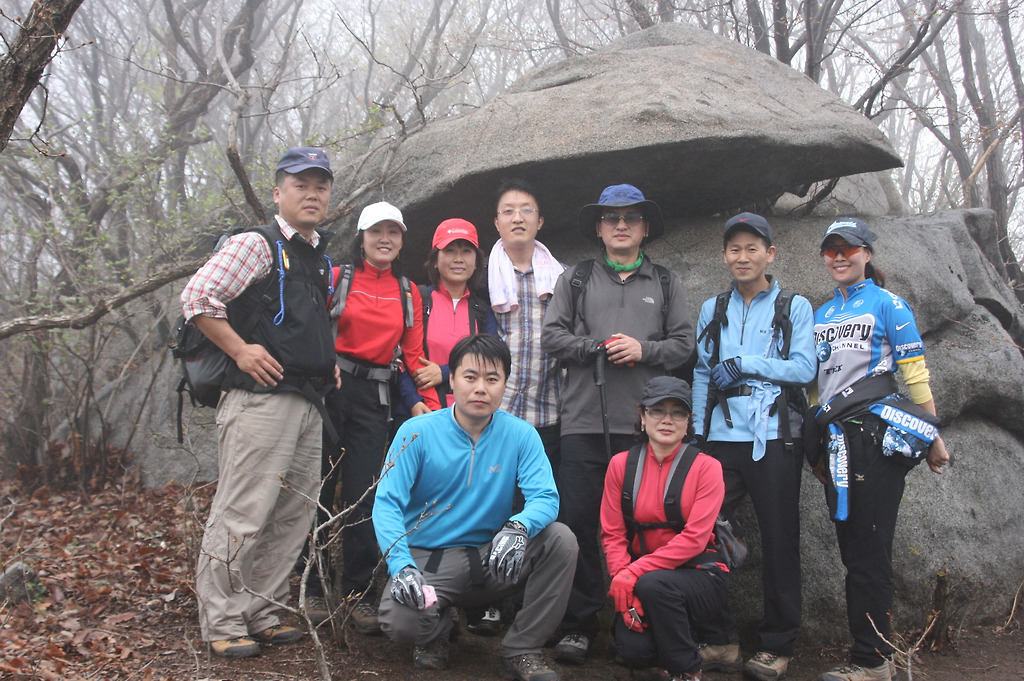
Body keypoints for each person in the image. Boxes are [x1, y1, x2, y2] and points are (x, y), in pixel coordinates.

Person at [183, 147, 340, 658]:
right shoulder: (258, 244)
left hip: (306, 400)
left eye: (320, 185)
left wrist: (326, 360)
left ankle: (261, 608)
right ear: (279, 193)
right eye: (301, 184)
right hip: (260, 402)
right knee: (243, 512)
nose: (312, 193)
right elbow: (198, 298)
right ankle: (223, 619)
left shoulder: (317, 256)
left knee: (291, 515)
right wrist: (239, 349)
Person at [541, 184, 694, 664]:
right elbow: (551, 335)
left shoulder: (666, 282)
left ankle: (641, 620)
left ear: (645, 227)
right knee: (580, 525)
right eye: (611, 218)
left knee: (647, 528)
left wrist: (644, 351)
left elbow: (685, 344)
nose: (621, 225)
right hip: (583, 424)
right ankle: (579, 625)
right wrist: (596, 347)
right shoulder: (578, 278)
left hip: (646, 431)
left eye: (631, 217)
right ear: (599, 228)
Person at [373, 334, 578, 681]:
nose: (481, 388)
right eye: (470, 377)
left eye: (492, 379)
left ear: (504, 385)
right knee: (399, 622)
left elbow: (546, 497)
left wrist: (519, 527)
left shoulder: (521, 435)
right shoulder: (416, 432)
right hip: (430, 557)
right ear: (451, 379)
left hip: (493, 554)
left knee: (561, 540)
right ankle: (436, 630)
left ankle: (521, 651)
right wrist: (401, 565)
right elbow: (387, 504)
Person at [809, 218, 951, 681]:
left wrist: (933, 436)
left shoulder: (889, 304)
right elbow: (815, 388)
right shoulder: (820, 314)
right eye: (831, 250)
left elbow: (915, 373)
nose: (840, 256)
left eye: (849, 248)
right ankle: (869, 652)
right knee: (853, 550)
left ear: (867, 253)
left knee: (870, 552)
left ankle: (874, 661)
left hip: (876, 439)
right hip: (834, 443)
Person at [690, 213, 816, 681]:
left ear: (770, 253)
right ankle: (720, 639)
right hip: (721, 439)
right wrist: (698, 437)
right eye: (734, 249)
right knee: (700, 531)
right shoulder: (713, 308)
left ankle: (777, 644)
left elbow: (805, 368)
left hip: (775, 438)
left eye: (752, 248)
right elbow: (702, 372)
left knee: (780, 538)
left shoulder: (794, 306)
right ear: (724, 255)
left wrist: (746, 363)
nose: (743, 257)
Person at [310, 201, 439, 633]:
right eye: (376, 231)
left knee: (364, 496)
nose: (385, 239)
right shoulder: (338, 277)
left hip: (375, 397)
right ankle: (310, 586)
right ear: (361, 236)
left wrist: (435, 410)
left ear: (402, 240)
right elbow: (310, 327)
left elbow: (415, 356)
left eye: (394, 232)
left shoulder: (410, 292)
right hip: (331, 388)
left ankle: (356, 593)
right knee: (319, 488)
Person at [601, 376, 734, 681]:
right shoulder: (620, 465)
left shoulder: (707, 467)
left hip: (700, 577)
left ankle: (687, 670)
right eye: (658, 410)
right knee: (633, 651)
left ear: (689, 422)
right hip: (643, 578)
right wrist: (623, 580)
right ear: (642, 416)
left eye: (678, 412)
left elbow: (695, 539)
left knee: (654, 585)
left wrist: (633, 575)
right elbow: (612, 534)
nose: (667, 420)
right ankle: (670, 645)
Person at [488, 178, 565, 476]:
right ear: (497, 222)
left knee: (543, 503)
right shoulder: (484, 276)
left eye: (526, 210)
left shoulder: (564, 278)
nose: (517, 218)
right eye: (508, 211)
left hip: (550, 413)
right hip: (496, 412)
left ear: (540, 220)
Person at [395, 218, 498, 414]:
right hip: (417, 410)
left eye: (466, 251)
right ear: (434, 260)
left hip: (468, 414)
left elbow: (489, 359)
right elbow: (397, 356)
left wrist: (443, 372)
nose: (458, 259)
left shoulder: (482, 310)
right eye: (450, 251)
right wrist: (413, 401)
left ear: (477, 262)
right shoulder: (418, 298)